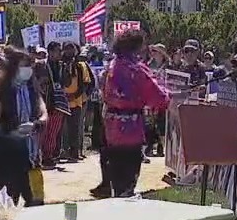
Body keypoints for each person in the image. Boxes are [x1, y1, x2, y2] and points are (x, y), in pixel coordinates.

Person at [93, 31, 170, 199]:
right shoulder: (136, 70)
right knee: (128, 183)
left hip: (111, 128)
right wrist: (170, 94)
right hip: (130, 130)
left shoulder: (111, 66)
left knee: (116, 176)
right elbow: (159, 98)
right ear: (136, 47)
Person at [0, 47, 47, 205]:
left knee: (35, 200)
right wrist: (11, 133)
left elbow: (43, 112)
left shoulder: (33, 89)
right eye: (23, 65)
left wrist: (36, 123)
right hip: (8, 152)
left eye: (29, 65)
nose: (27, 69)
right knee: (7, 199)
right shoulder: (1, 92)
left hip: (31, 151)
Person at [60, 42, 93, 162]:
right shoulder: (61, 64)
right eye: (66, 49)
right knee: (63, 129)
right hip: (62, 102)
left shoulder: (80, 65)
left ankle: (75, 152)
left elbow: (85, 83)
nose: (69, 52)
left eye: (71, 49)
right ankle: (64, 151)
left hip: (77, 101)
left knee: (75, 127)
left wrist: (75, 95)